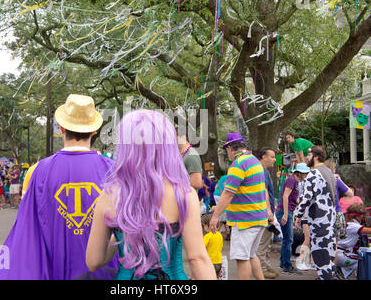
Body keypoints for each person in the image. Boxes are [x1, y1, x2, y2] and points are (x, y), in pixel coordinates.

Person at [0, 94, 119, 280]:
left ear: (61, 128)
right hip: (104, 272)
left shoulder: (40, 170)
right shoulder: (111, 169)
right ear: (93, 131)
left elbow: (28, 229)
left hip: (55, 270)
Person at [86, 110, 217, 280]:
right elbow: (197, 259)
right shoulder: (184, 194)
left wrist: (119, 237)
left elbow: (93, 261)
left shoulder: (109, 194)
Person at [209, 132, 268, 280]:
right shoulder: (254, 160)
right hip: (259, 216)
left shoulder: (238, 164)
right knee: (251, 255)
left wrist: (215, 217)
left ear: (230, 148)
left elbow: (228, 193)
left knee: (242, 258)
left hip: (245, 220)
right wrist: (220, 208)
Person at [294, 146, 337, 280]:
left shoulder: (313, 173)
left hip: (319, 220)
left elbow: (306, 198)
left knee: (320, 255)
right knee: (329, 257)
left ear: (316, 156)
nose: (307, 157)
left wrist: (298, 215)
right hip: (330, 220)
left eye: (309, 154)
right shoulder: (329, 172)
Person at [276, 163, 310, 275]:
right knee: (288, 239)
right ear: (299, 173)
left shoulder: (295, 181)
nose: (306, 175)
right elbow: (285, 196)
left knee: (287, 239)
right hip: (285, 212)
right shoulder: (292, 180)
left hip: (288, 211)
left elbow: (292, 198)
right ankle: (287, 265)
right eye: (305, 173)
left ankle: (283, 263)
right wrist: (285, 214)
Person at [255, 147, 278, 279]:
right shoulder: (261, 171)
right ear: (264, 157)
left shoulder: (262, 170)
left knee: (267, 241)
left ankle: (266, 266)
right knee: (263, 242)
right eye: (272, 157)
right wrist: (269, 211)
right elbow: (263, 191)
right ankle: (262, 269)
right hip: (264, 212)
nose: (274, 160)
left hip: (265, 211)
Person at [335, 203, 371, 279]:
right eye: (361, 216)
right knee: (362, 259)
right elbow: (368, 231)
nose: (362, 218)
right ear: (357, 216)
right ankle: (340, 274)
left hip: (337, 253)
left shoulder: (346, 223)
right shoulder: (353, 225)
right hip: (340, 255)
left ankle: (340, 273)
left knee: (355, 260)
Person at [201, 213, 223, 279]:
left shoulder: (207, 236)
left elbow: (202, 247)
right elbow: (220, 246)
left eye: (204, 226)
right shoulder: (220, 235)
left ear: (208, 226)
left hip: (210, 262)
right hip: (219, 261)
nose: (204, 228)